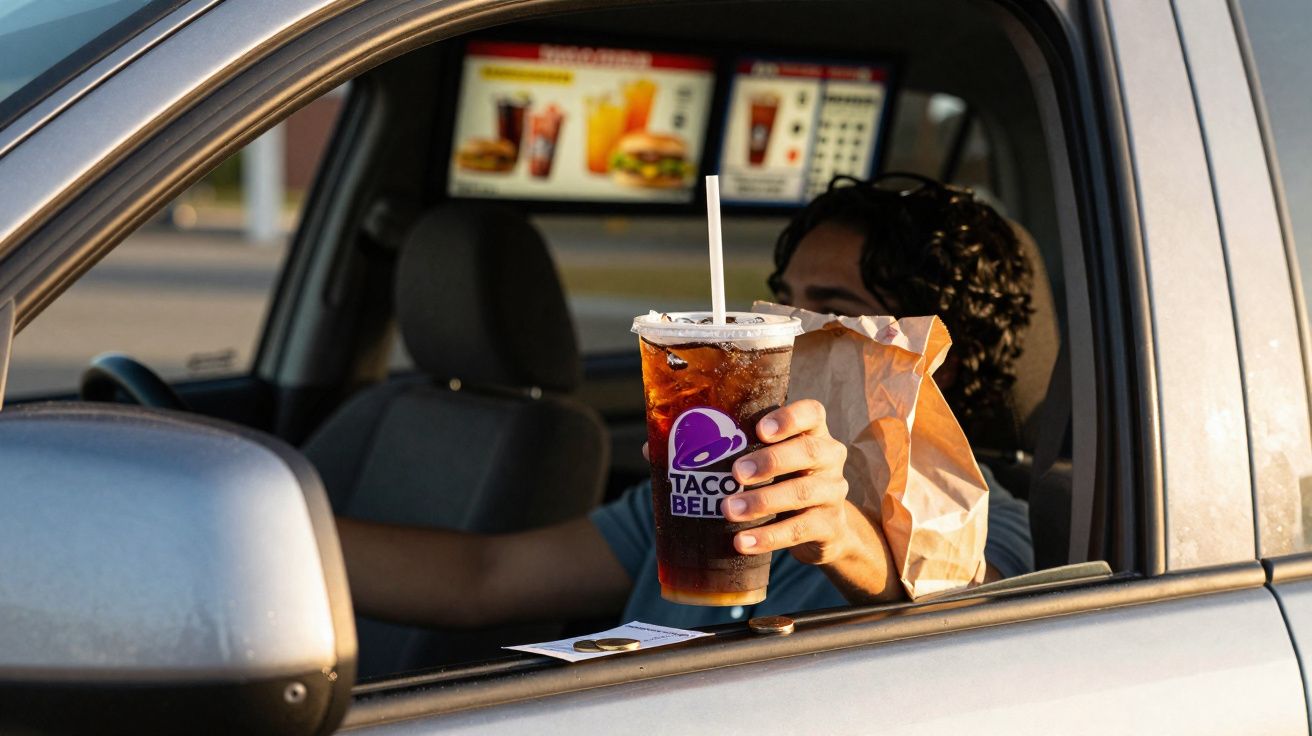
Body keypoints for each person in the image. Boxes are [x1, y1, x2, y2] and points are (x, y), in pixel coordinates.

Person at [338, 173, 1036, 633]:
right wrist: (255, 540)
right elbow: (483, 579)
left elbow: (960, 605)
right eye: (785, 294)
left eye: (831, 309)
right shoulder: (704, 486)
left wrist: (841, 533)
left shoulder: (992, 522)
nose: (789, 324)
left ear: (928, 354)